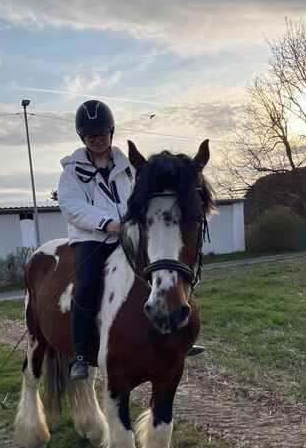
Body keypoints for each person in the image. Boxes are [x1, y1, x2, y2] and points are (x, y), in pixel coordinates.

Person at [58, 99, 204, 380]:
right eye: (91, 135)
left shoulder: (131, 168)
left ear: (111, 132)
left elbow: (145, 197)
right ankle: (78, 353)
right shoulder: (71, 172)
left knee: (167, 271)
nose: (97, 140)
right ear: (82, 138)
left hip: (130, 233)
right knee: (87, 284)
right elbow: (71, 206)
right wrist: (106, 223)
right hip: (91, 238)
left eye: (102, 133)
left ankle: (176, 332)